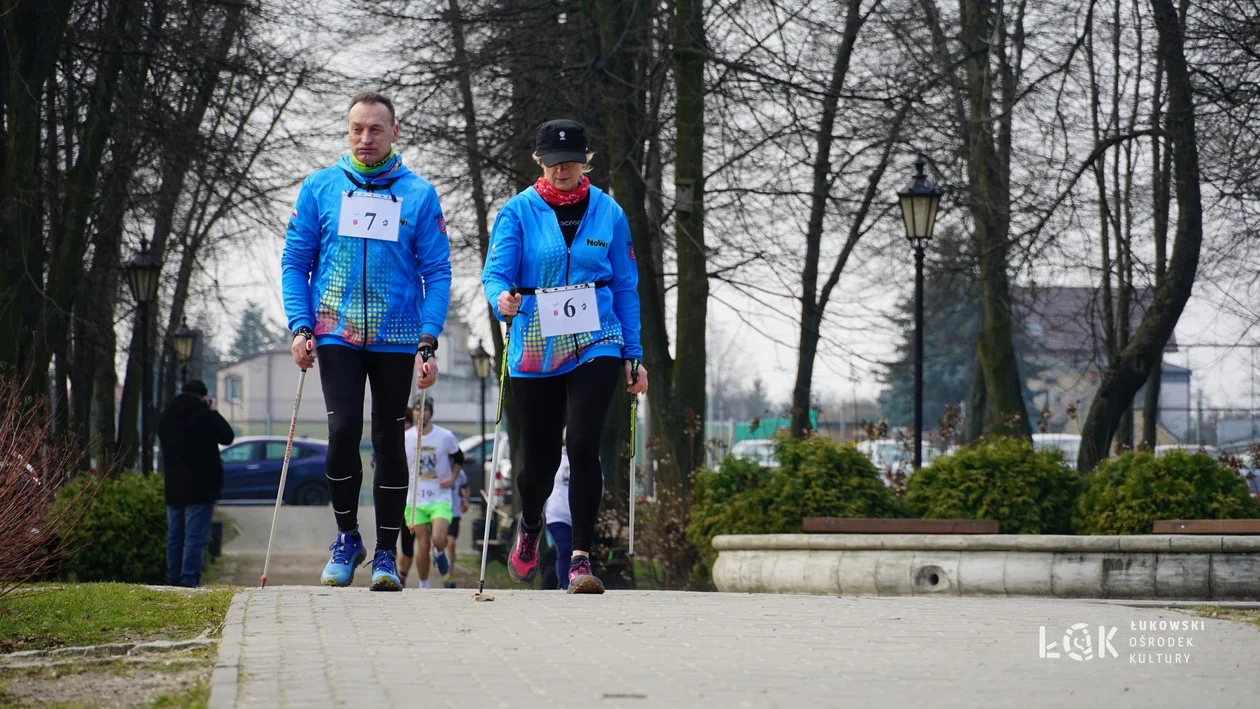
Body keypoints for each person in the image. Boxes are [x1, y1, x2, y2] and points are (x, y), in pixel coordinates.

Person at [281, 91, 451, 592]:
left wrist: (428, 337)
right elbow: (295, 262)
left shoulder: (418, 194)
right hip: (336, 330)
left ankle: (384, 553)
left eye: (376, 129)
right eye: (357, 128)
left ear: (395, 132)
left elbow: (438, 271)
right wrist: (300, 324)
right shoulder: (320, 188)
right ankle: (347, 537)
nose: (365, 138)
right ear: (347, 130)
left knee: (387, 441)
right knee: (341, 432)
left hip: (398, 335)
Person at [480, 119, 649, 594]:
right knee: (538, 463)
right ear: (539, 162)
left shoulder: (609, 212)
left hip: (597, 334)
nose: (562, 170)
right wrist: (502, 300)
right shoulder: (517, 212)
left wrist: (632, 354)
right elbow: (495, 273)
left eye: (571, 161)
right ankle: (531, 525)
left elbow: (625, 285)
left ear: (585, 161)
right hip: (536, 337)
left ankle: (579, 557)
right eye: (553, 163)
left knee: (583, 443)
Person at [157, 380, 235, 588]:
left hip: (174, 486)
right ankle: (189, 580)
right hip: (201, 486)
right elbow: (227, 436)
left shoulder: (167, 417)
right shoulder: (203, 416)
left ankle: (173, 579)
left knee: (175, 536)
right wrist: (213, 412)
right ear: (202, 396)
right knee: (194, 537)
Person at [398, 398, 461, 589]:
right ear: (413, 413)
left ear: (431, 413)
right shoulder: (406, 437)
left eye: (425, 410)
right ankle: (424, 583)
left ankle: (439, 551)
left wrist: (452, 478)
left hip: (439, 497)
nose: (421, 413)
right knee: (422, 545)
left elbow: (459, 458)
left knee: (440, 538)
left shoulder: (445, 436)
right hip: (415, 499)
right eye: (417, 409)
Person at [543, 443, 573, 590]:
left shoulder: (590, 457)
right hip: (557, 514)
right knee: (565, 548)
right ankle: (564, 585)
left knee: (578, 551)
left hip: (579, 515)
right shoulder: (556, 459)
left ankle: (577, 579)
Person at [442, 463, 470, 588]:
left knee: (451, 542)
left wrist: (466, 500)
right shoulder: (439, 469)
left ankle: (449, 574)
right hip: (440, 511)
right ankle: (441, 559)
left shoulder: (460, 473)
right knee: (441, 542)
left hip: (454, 512)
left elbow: (465, 486)